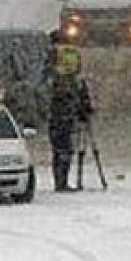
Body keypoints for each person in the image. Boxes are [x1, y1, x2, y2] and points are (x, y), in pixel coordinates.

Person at [48, 53, 93, 192]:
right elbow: (60, 101)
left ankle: (61, 181)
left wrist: (84, 108)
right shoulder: (59, 83)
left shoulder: (73, 82)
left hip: (64, 121)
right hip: (60, 121)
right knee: (63, 151)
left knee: (63, 151)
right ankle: (61, 182)